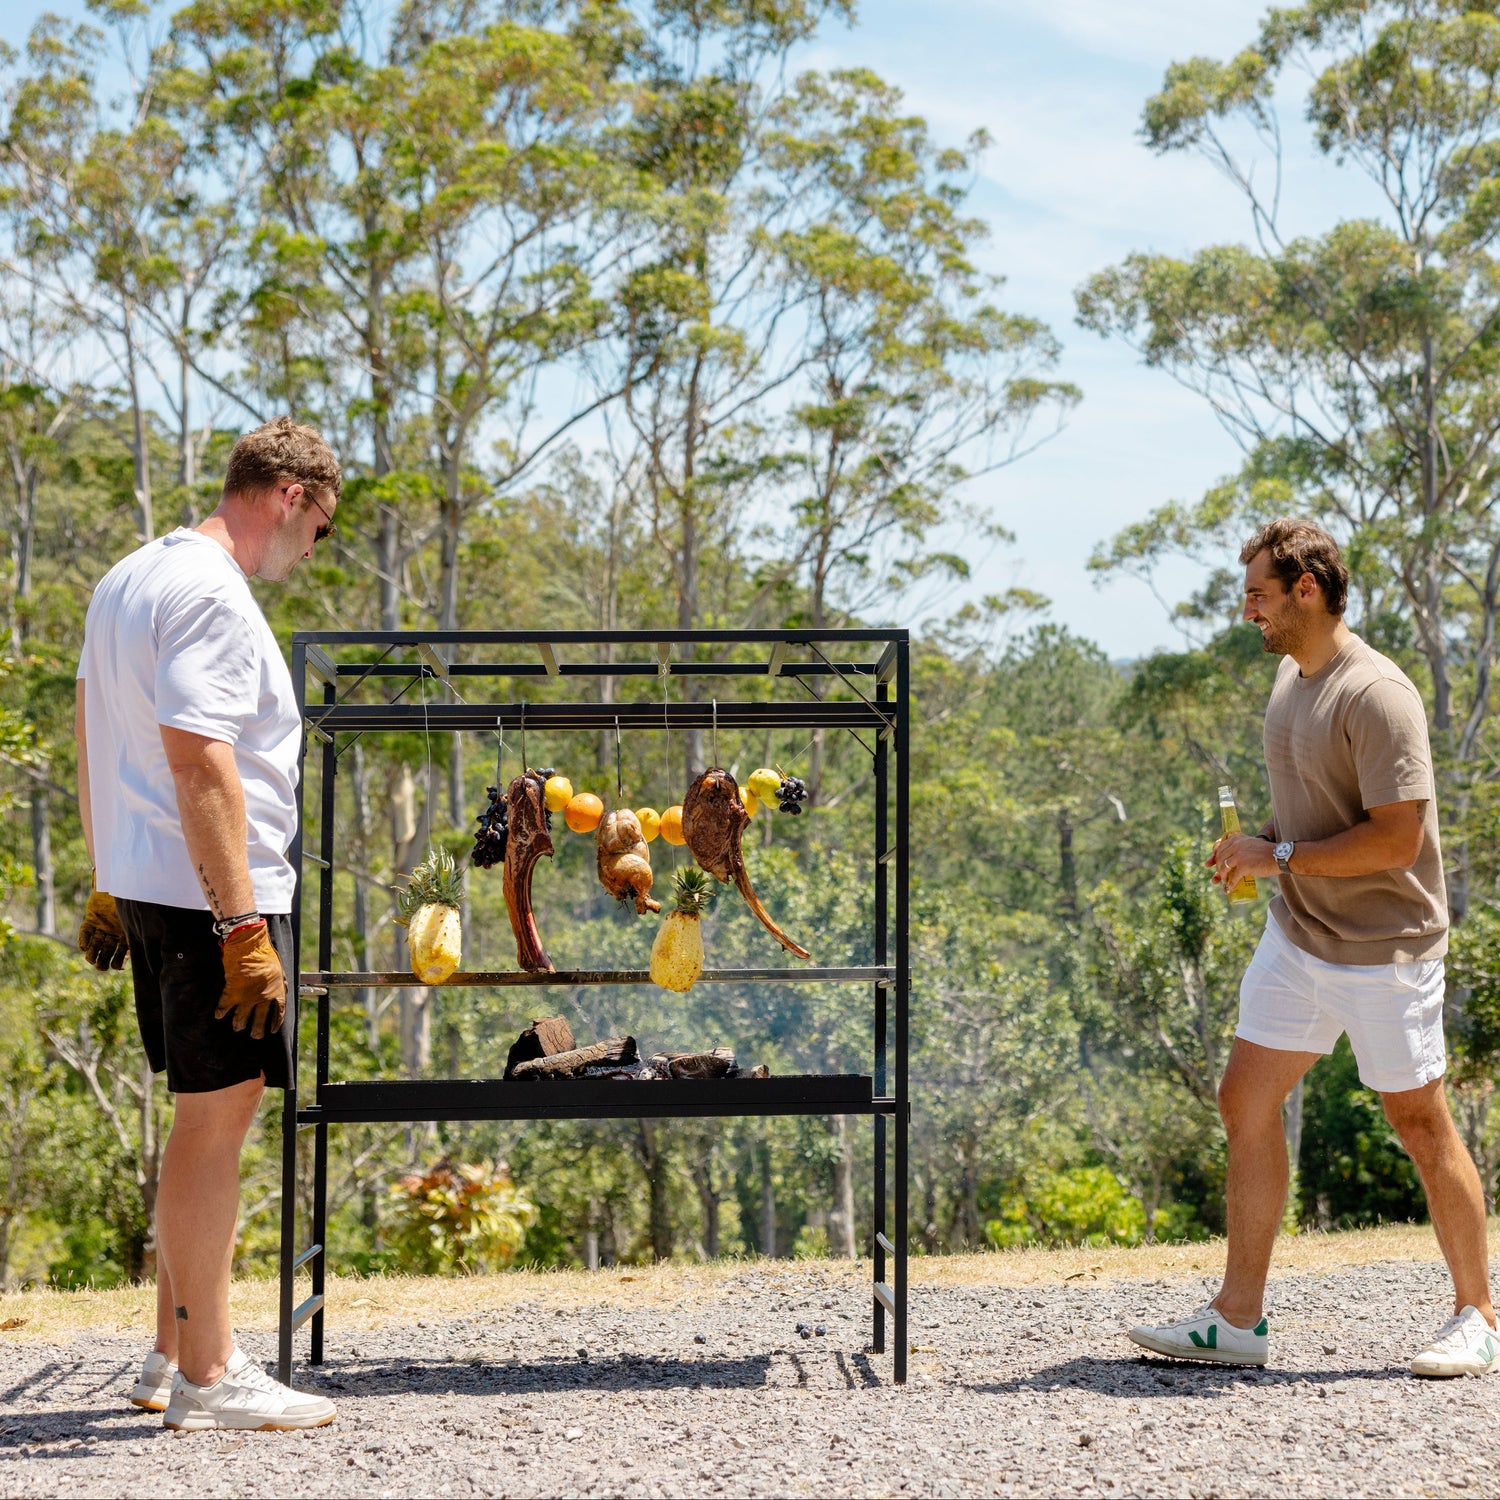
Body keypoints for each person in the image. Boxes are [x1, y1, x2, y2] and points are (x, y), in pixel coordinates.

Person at [1128, 518, 1498, 1379]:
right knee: (1244, 1099)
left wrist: (1281, 856)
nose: (1246, 610)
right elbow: (1307, 807)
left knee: (1418, 1122)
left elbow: (1396, 842)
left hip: (1386, 951)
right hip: (1299, 937)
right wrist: (1259, 842)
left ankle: (1478, 1315)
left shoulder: (1378, 695)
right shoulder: (1291, 679)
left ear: (1307, 589)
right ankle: (1237, 1320)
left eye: (1259, 593)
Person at [75, 416, 341, 1430]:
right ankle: (213, 1374)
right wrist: (241, 927)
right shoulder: (212, 593)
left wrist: (107, 877)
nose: (310, 552)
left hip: (153, 882)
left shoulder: (131, 577)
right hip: (209, 897)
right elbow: (199, 759)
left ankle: (166, 1353)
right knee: (215, 1122)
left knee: (200, 1117)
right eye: (319, 531)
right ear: (290, 496)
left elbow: (96, 729)